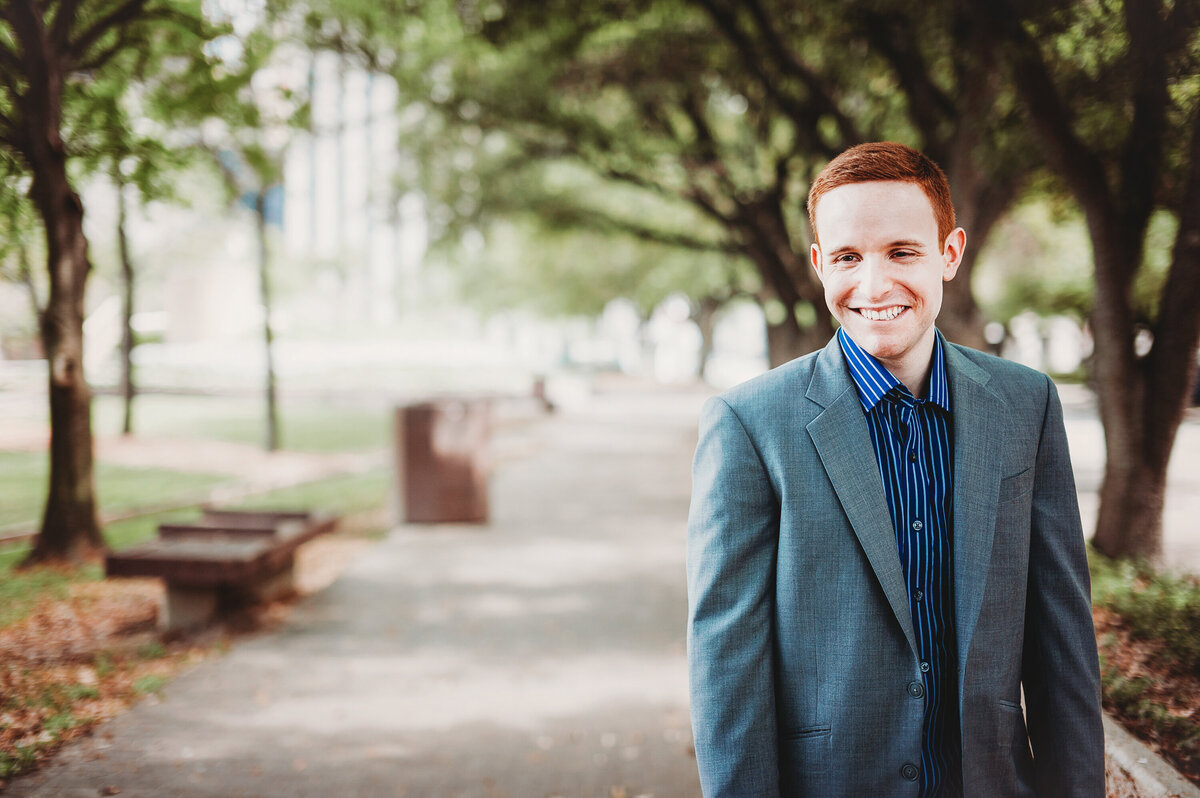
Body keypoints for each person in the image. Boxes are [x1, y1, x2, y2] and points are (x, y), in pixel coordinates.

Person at [685, 142, 1104, 797]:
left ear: (950, 253)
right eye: (849, 257)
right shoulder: (748, 423)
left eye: (902, 252)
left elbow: (1063, 644)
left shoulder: (1027, 405)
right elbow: (727, 661)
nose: (874, 285)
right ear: (821, 266)